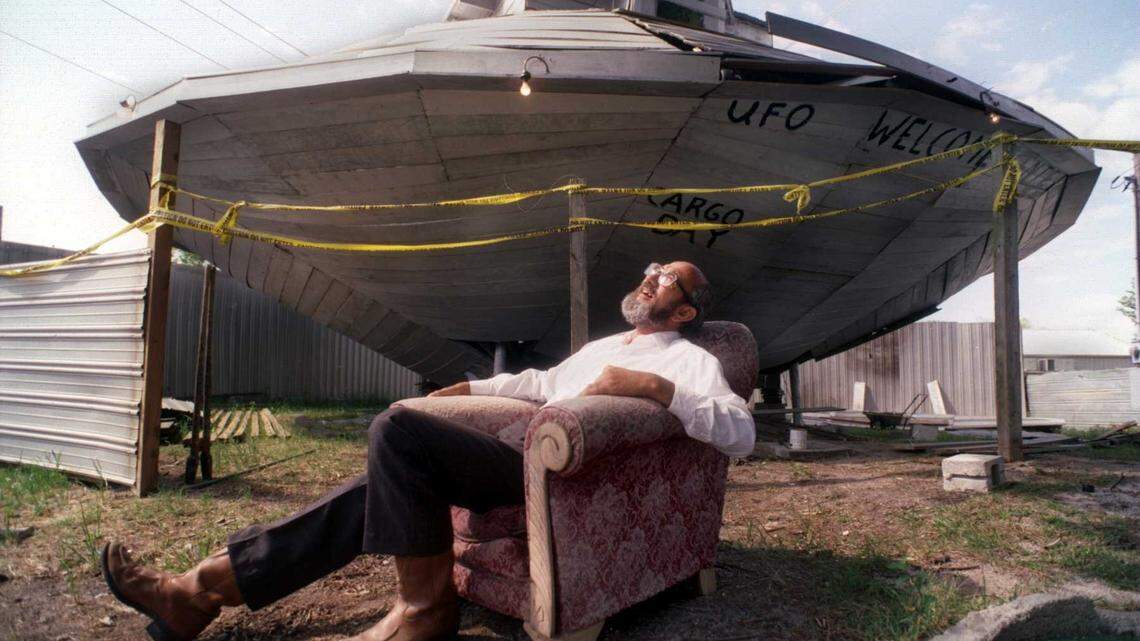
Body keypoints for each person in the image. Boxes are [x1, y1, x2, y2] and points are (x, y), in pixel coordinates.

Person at [101, 260, 755, 641]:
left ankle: (424, 612)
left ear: (685, 311)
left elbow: (740, 433)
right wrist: (464, 388)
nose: (648, 277)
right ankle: (201, 590)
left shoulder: (694, 361)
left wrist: (655, 388)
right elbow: (537, 384)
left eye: (664, 276)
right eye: (649, 269)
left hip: (560, 477)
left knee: (396, 433)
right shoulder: (605, 345)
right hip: (517, 454)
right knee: (401, 442)